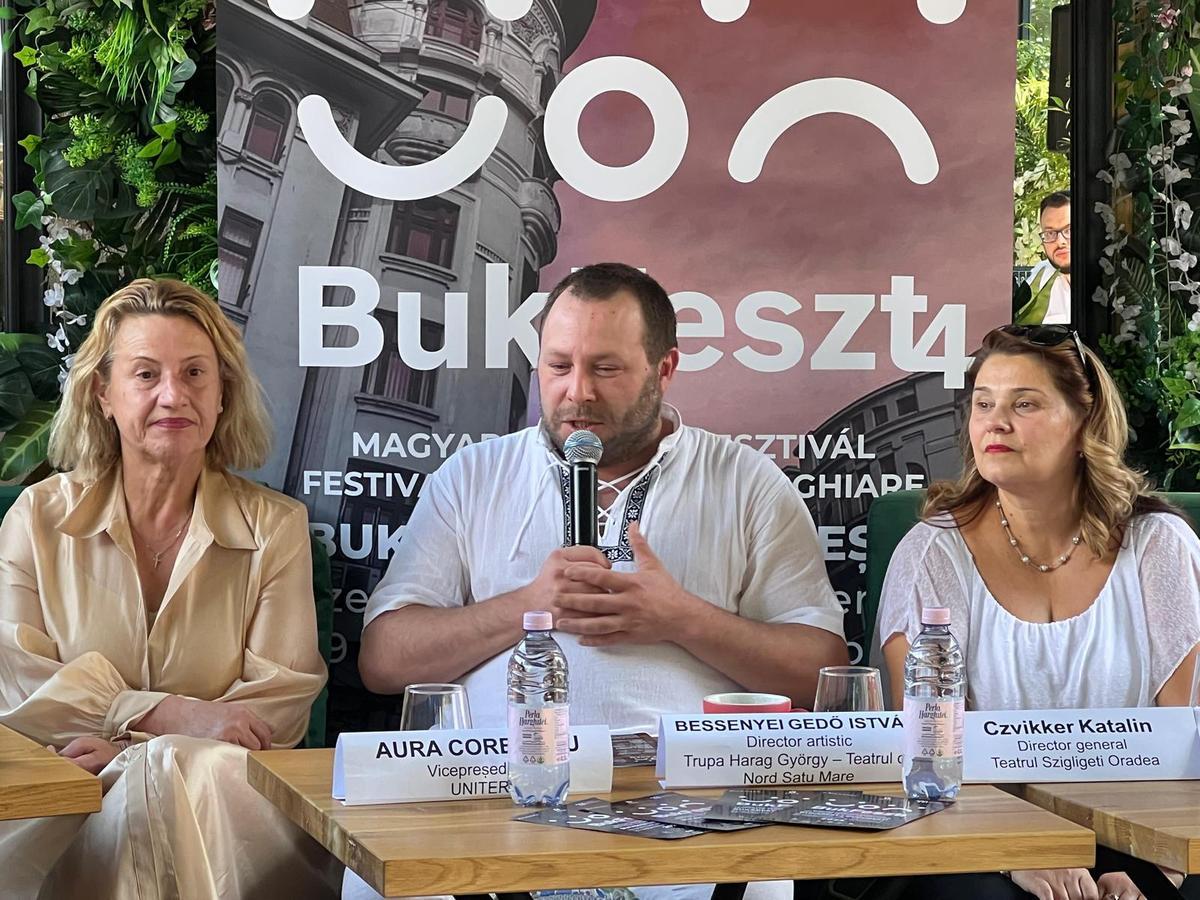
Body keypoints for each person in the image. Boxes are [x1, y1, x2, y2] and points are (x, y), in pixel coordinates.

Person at [358, 262, 848, 727]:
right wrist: (532, 605)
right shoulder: (472, 475)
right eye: (558, 366)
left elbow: (822, 675)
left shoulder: (746, 480)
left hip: (687, 774)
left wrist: (682, 618)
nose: (578, 391)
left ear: (664, 369)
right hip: (500, 770)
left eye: (606, 369)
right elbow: (384, 662)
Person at [0, 279, 339, 899]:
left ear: (222, 394)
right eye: (146, 374)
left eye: (194, 373)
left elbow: (277, 710)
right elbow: (20, 690)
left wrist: (130, 749)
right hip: (66, 807)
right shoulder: (37, 518)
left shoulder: (276, 528)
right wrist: (172, 715)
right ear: (103, 393)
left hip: (231, 828)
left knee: (167, 775)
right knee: (145, 785)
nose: (173, 395)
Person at [877, 324, 1200, 900]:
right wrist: (1015, 854)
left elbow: (1186, 746)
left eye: (1023, 404)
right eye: (983, 404)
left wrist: (1160, 867)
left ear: (1084, 423)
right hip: (973, 833)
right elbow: (928, 760)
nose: (995, 423)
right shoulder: (932, 553)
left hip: (1138, 834)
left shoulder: (1161, 547)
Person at [1015, 191, 1071, 325]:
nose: (1060, 242)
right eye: (1050, 233)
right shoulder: (1037, 280)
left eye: (1069, 231)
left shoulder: (1110, 280)